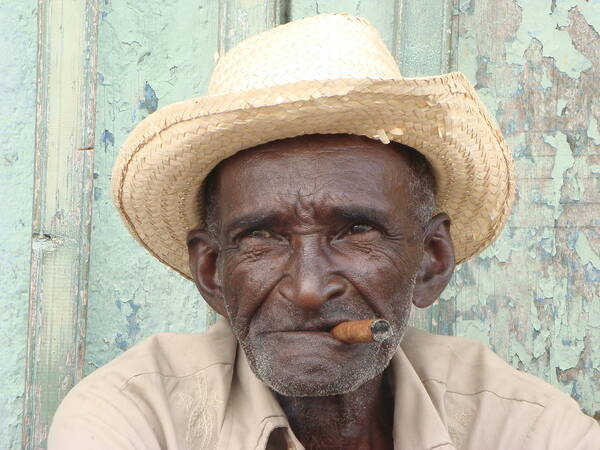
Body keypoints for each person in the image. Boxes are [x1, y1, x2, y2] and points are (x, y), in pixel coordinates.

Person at [48, 13, 599, 449]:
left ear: (432, 259)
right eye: (262, 238)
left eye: (356, 231)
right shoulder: (137, 418)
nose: (308, 291)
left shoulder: (516, 424)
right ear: (212, 273)